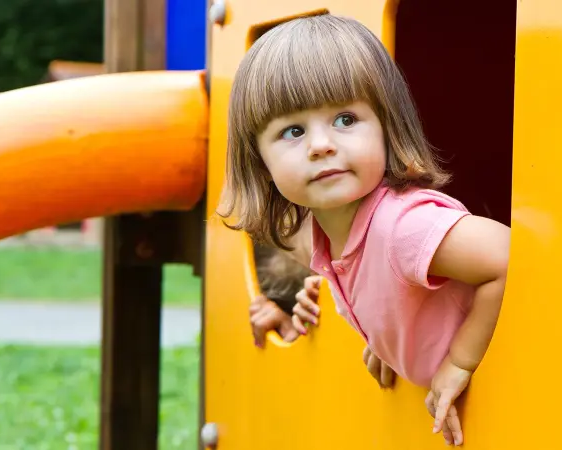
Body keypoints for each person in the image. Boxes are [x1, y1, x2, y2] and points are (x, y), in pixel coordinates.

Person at [218, 14, 510, 446]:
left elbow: (510, 259)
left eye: (345, 120)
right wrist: (389, 337)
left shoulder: (403, 227)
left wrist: (460, 361)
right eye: (293, 131)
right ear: (260, 162)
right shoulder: (328, 240)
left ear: (387, 128)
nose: (321, 144)